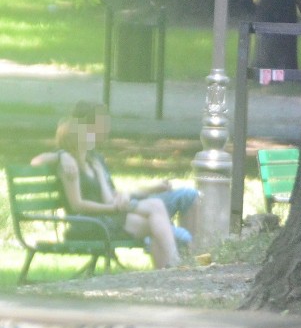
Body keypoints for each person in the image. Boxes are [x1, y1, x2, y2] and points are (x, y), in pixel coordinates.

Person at [31, 101, 199, 247]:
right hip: (105, 219)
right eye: (102, 123)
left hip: (119, 209)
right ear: (86, 128)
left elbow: (112, 193)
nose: (107, 127)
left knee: (186, 195)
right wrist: (62, 155)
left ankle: (186, 252)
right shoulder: (68, 159)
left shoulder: (95, 159)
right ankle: (179, 251)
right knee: (169, 225)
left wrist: (149, 189)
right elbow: (37, 162)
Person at [53, 116, 180, 269]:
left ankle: (167, 269)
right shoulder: (69, 168)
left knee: (156, 214)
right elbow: (77, 205)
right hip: (88, 225)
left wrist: (105, 182)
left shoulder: (93, 163)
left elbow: (107, 199)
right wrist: (112, 209)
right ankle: (174, 264)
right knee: (157, 216)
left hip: (105, 219)